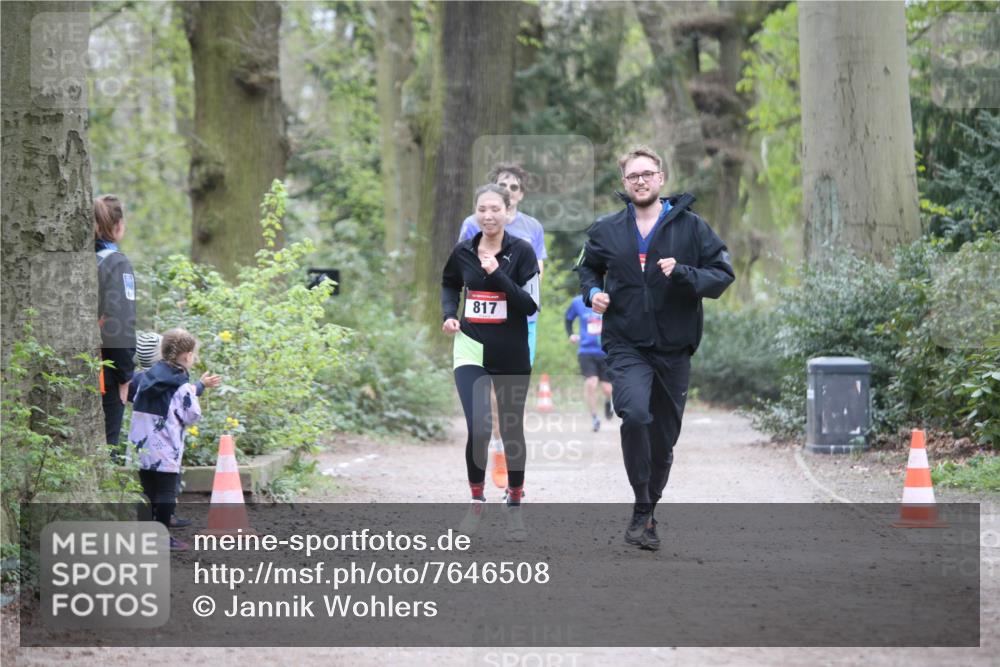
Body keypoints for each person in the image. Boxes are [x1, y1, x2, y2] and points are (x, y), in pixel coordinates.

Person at [576, 145, 734, 550]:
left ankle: (646, 510)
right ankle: (642, 507)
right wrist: (593, 292)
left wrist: (684, 273)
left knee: (663, 442)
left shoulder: (692, 227)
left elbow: (721, 275)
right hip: (626, 343)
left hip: (674, 347)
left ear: (661, 178)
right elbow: (587, 268)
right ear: (624, 183)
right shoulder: (606, 229)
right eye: (633, 176)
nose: (641, 181)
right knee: (634, 413)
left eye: (647, 174)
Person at [442, 184, 540, 539]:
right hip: (470, 348)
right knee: (480, 427)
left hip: (511, 352)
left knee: (511, 429)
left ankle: (514, 502)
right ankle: (476, 501)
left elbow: (529, 305)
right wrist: (449, 314)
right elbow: (449, 283)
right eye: (482, 209)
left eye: (495, 209)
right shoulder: (463, 251)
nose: (488, 216)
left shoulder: (523, 252)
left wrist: (498, 274)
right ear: (475, 212)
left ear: (508, 212)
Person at [458, 164, 547, 490]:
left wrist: (509, 283)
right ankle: (496, 448)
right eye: (502, 185)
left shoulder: (532, 228)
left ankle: (504, 447)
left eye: (513, 187)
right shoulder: (472, 224)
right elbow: (462, 267)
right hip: (482, 323)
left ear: (520, 194)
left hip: (522, 322)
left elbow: (537, 274)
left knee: (508, 392)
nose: (507, 190)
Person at [128, 330, 221, 530]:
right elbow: (192, 415)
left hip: (140, 447)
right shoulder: (181, 384)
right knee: (166, 493)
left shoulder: (144, 378)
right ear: (188, 356)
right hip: (165, 447)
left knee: (147, 492)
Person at [95, 195, 136, 454]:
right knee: (104, 450)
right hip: (106, 371)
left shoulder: (80, 260)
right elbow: (119, 322)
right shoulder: (116, 263)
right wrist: (125, 375)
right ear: (118, 225)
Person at [564, 295, 613, 432]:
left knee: (607, 389)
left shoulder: (608, 299)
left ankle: (608, 401)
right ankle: (594, 417)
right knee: (591, 383)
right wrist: (571, 334)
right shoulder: (578, 302)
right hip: (586, 351)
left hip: (605, 351)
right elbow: (568, 318)